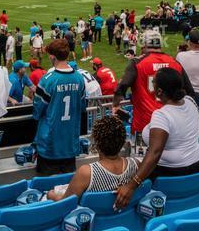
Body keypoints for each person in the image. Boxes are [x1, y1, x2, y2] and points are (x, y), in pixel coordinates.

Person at [114, 67, 199, 210]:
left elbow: (154, 153)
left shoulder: (162, 115)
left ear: (160, 91)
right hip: (196, 168)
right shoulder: (190, 101)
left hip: (170, 175)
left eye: (154, 84)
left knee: (128, 169)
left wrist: (131, 185)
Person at [112, 29, 195, 135]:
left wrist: (115, 105)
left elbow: (122, 87)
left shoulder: (137, 63)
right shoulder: (174, 62)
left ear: (144, 44)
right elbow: (189, 93)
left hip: (145, 124)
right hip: (172, 124)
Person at [47, 115, 138, 201]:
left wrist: (50, 195)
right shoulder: (135, 165)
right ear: (122, 142)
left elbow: (66, 203)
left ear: (97, 144)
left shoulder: (86, 173)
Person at [33, 39, 86, 176]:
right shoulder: (79, 78)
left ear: (52, 56)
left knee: (47, 188)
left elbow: (37, 111)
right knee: (67, 188)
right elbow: (82, 107)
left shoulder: (48, 79)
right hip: (70, 142)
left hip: (50, 144)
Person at [175, 30, 199, 129]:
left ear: (189, 42)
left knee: (186, 127)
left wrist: (179, 52)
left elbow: (177, 73)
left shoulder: (181, 56)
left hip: (187, 95)